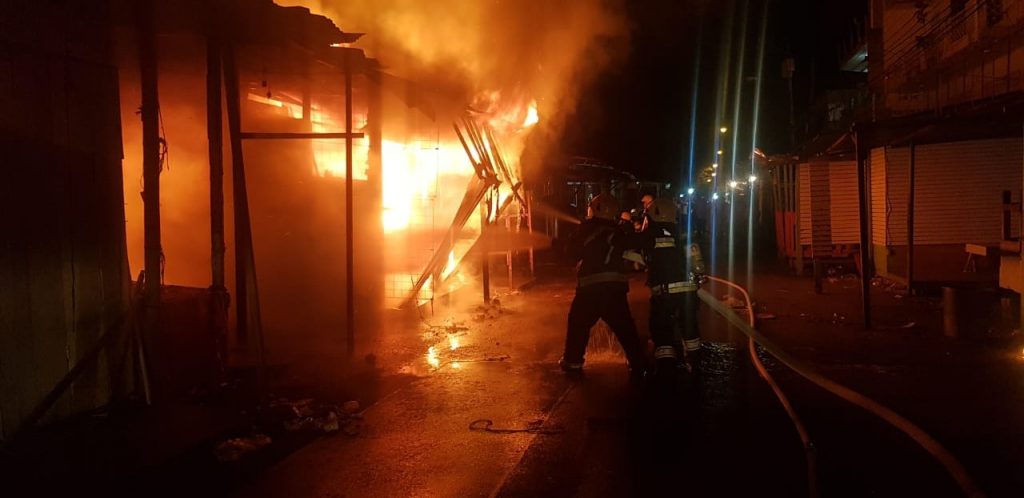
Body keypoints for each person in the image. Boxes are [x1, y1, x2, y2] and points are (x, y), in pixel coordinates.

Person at [560, 194, 647, 379]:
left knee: (578, 324)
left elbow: (569, 255)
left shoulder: (585, 230)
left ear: (596, 208)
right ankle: (639, 363)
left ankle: (573, 362)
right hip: (615, 290)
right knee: (625, 328)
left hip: (589, 290)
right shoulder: (619, 231)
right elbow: (633, 248)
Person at [636, 198, 706, 377]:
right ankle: (695, 363)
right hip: (688, 290)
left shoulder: (649, 233)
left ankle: (666, 369)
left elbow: (637, 255)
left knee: (662, 330)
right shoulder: (683, 231)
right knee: (690, 327)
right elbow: (695, 258)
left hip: (664, 293)